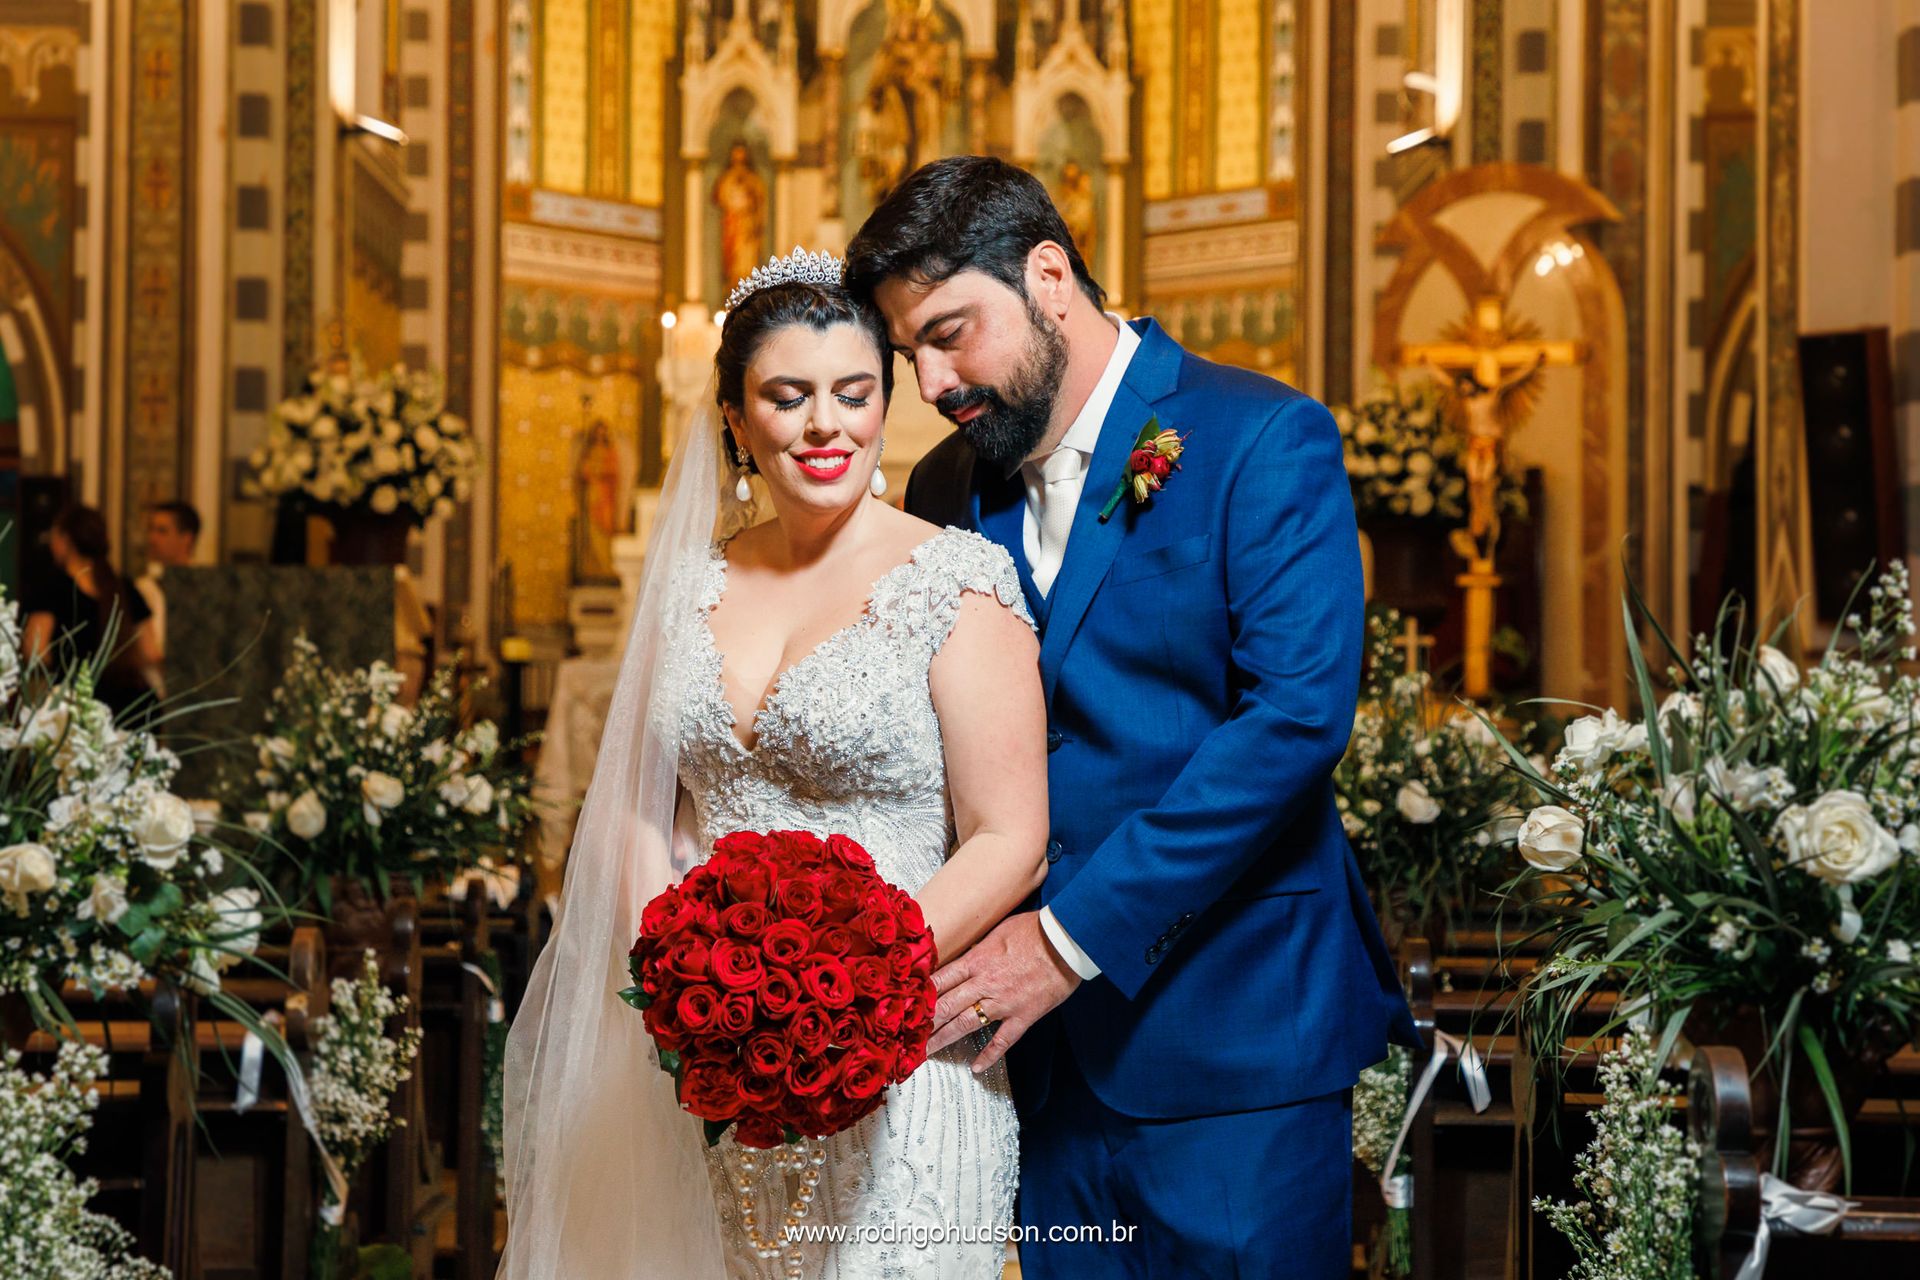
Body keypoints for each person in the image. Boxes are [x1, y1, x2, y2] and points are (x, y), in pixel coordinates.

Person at [847, 156, 1417, 1278]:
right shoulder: (946, 487)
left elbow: (1295, 720)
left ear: (1049, 274)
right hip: (1037, 1064)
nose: (930, 381)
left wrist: (1066, 939)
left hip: (1236, 1040)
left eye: (952, 332)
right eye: (909, 350)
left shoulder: (1261, 436)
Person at [498, 252, 1049, 1278]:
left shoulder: (958, 583)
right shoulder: (688, 588)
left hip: (901, 1046)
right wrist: (677, 975)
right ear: (736, 416)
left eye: (854, 394)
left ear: (887, 401)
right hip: (710, 1054)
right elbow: (637, 807)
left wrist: (841, 991)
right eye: (787, 397)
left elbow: (1010, 837)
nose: (825, 425)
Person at [23, 503, 160, 715]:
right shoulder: (123, 586)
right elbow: (150, 652)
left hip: (74, 705)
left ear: (64, 540)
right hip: (131, 704)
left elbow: (37, 653)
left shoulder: (51, 588)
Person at [136, 500, 200, 689]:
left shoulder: (203, 587)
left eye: (162, 531)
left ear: (186, 538)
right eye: (151, 530)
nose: (152, 539)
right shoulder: (142, 587)